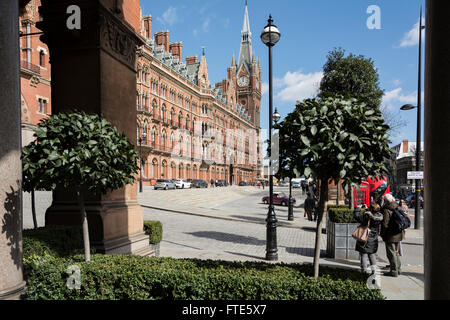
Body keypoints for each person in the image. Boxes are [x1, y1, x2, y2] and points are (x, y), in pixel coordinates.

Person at [354, 203, 383, 274]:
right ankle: (374, 270)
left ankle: (364, 270)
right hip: (374, 237)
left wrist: (358, 209)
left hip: (365, 237)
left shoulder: (367, 215)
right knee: (372, 254)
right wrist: (367, 209)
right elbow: (372, 215)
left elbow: (357, 217)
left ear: (372, 209)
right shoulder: (379, 216)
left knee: (363, 254)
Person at [380, 193, 404, 277]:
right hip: (398, 233)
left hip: (390, 235)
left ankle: (394, 271)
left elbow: (385, 224)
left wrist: (382, 234)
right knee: (396, 252)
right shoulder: (397, 207)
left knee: (391, 253)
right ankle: (398, 268)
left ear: (386, 201)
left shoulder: (386, 209)